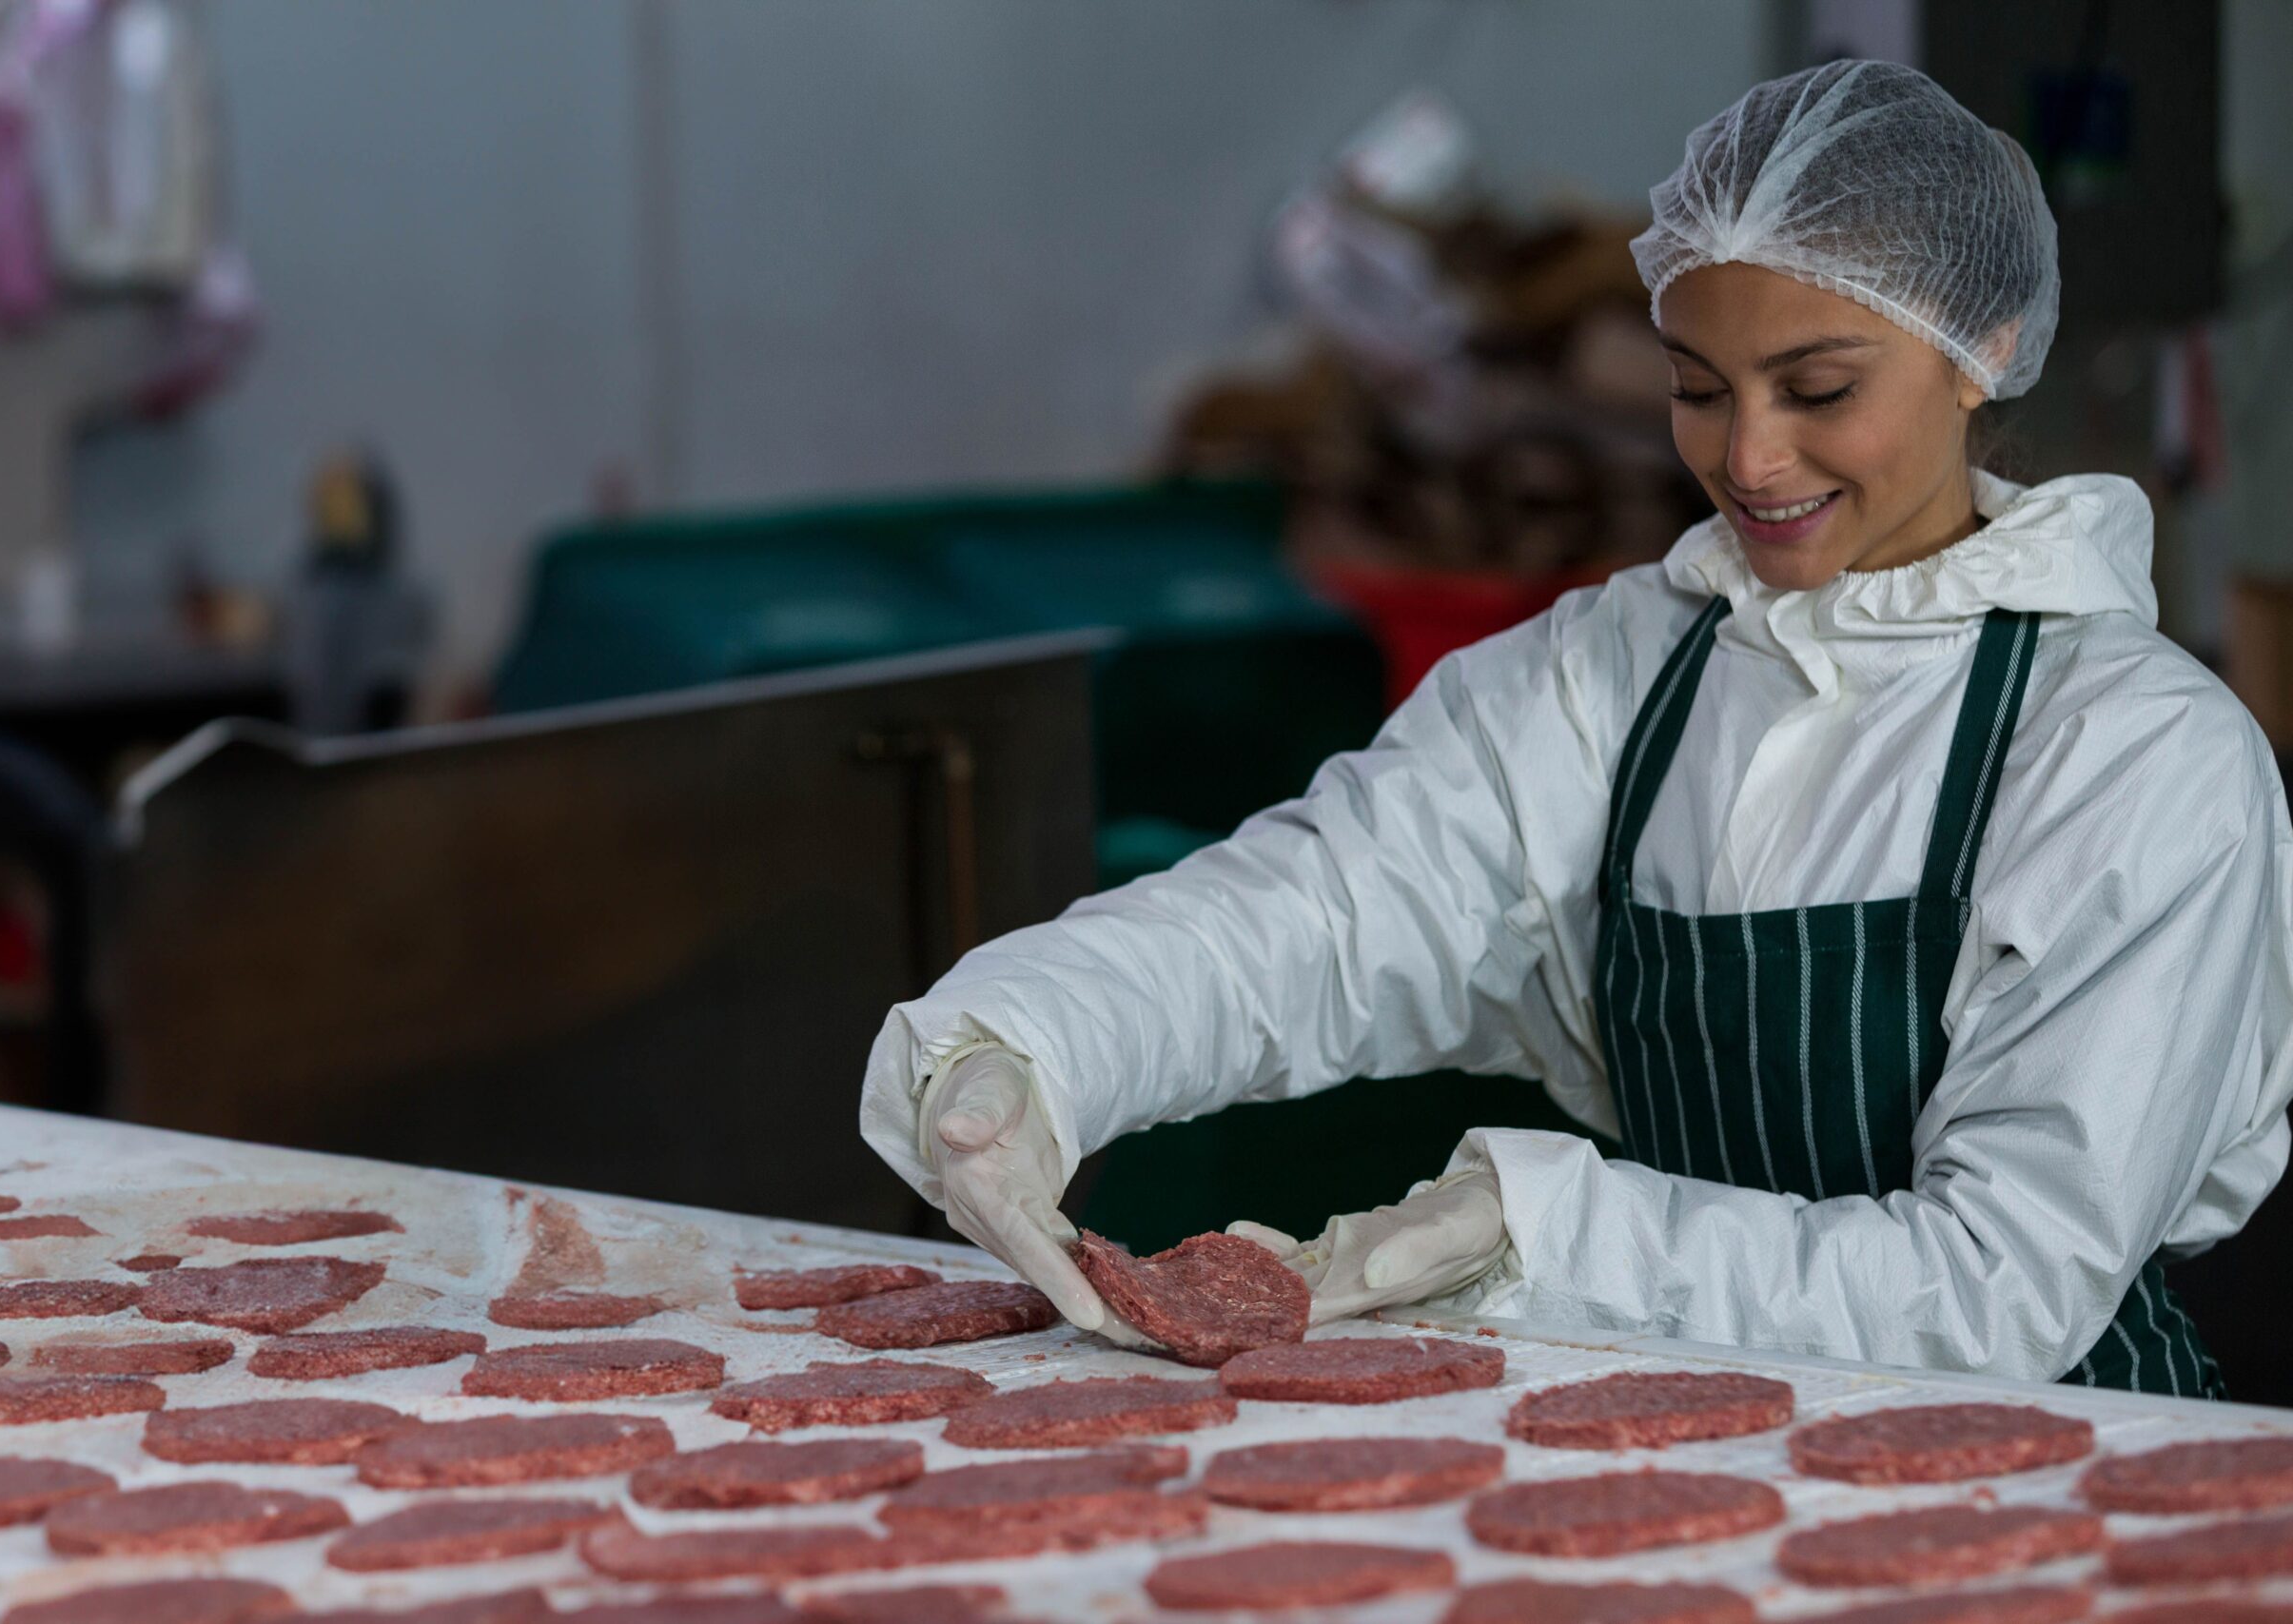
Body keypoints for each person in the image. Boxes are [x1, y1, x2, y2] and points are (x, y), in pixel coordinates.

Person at [858, 60, 2293, 1397]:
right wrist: (1029, 1044)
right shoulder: (1616, 676)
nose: (1750, 458)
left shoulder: (2136, 756)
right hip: (1696, 1454)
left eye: (1821, 389)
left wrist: (1540, 1231)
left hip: (2071, 1478)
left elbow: (2002, 1289)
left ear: (1980, 348)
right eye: (1696, 388)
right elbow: (1322, 909)